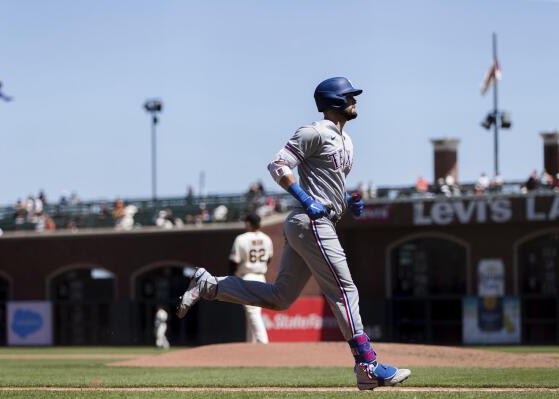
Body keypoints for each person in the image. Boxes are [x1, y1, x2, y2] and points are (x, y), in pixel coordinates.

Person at [175, 77, 410, 390]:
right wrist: (306, 199)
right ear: (335, 100)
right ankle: (367, 366)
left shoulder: (347, 141)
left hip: (317, 220)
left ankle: (210, 285)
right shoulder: (313, 131)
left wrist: (349, 200)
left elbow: (330, 182)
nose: (355, 100)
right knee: (345, 289)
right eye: (350, 95)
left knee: (280, 297)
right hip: (311, 220)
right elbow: (277, 165)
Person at [229, 213, 273, 344]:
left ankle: (263, 342)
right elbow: (269, 259)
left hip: (247, 276)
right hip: (261, 276)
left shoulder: (241, 238)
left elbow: (233, 261)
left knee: (252, 312)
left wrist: (232, 277)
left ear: (249, 223)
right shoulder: (267, 238)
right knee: (253, 313)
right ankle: (251, 345)